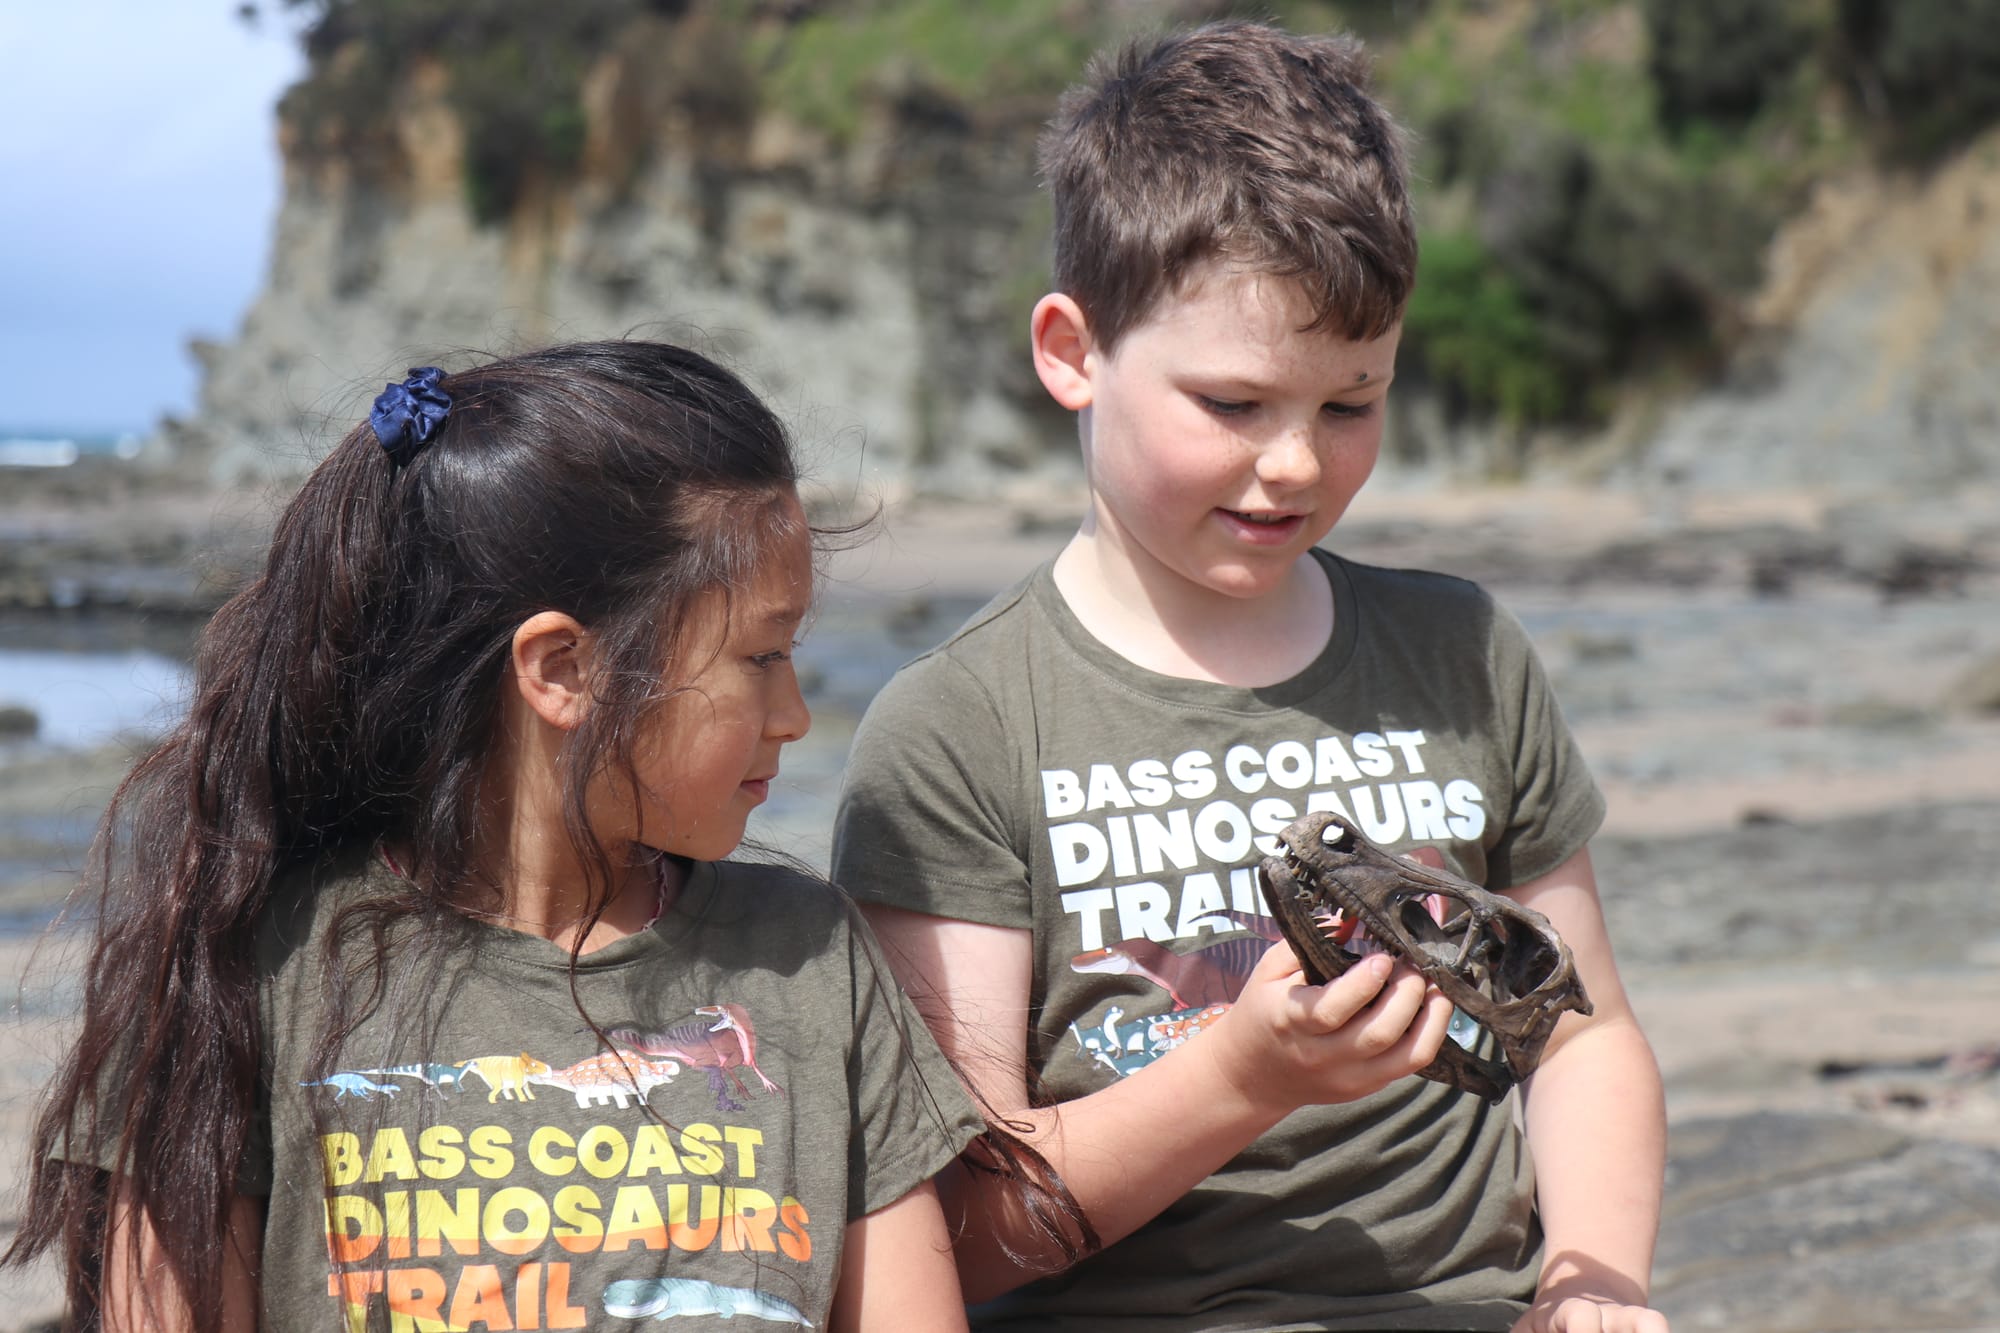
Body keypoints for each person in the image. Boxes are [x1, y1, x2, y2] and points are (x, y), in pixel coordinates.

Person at [831, 21, 1668, 1333]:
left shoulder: (1459, 654)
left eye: (1350, 404)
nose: (1295, 465)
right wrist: (1241, 1075)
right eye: (1232, 405)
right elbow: (950, 1231)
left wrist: (1595, 1281)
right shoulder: (959, 728)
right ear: (1072, 352)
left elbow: (1578, 1033)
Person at [7, 342, 996, 1332]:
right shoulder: (245, 969)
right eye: (760, 656)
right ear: (561, 669)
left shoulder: (811, 963)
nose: (793, 715)